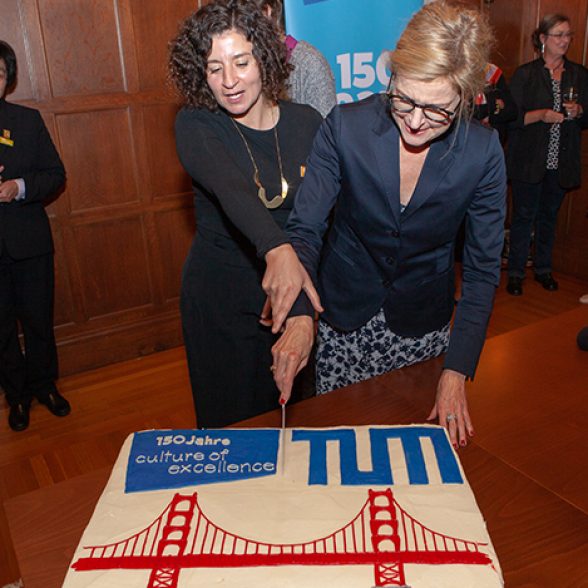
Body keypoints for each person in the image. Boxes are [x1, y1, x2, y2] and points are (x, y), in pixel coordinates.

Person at [262, 1, 506, 448]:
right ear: (392, 74)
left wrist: (457, 368)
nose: (415, 122)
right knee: (339, 452)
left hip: (422, 326)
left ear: (466, 98)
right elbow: (305, 231)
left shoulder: (483, 153)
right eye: (405, 100)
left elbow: (483, 268)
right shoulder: (345, 128)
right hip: (342, 321)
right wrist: (299, 317)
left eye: (437, 112)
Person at [169, 0, 323, 428]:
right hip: (221, 303)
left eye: (241, 62)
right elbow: (235, 193)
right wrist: (276, 248)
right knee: (232, 434)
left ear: (266, 58)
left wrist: (301, 314)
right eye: (214, 67)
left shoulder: (307, 123)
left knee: (293, 425)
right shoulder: (195, 124)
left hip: (290, 295)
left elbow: (317, 223)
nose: (229, 81)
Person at [0, 40, 69, 432]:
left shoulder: (27, 121)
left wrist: (20, 186)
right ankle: (17, 396)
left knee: (40, 321)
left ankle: (45, 386)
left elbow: (56, 175)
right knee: (2, 328)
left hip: (29, 243)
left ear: (8, 79)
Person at [505, 14, 588, 296]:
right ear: (543, 39)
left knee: (548, 218)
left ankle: (543, 269)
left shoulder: (579, 74)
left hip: (561, 162)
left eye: (568, 35)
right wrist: (540, 115)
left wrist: (580, 112)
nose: (565, 41)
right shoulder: (525, 74)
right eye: (559, 35)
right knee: (523, 217)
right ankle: (515, 273)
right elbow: (510, 119)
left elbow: (586, 119)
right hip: (529, 161)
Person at [254, 0, 337, 117]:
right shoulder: (231, 67)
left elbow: (328, 131)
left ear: (266, 11)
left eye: (241, 15)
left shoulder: (308, 64)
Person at [473, 63, 517, 143]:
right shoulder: (455, 71)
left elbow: (511, 110)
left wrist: (486, 106)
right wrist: (494, 103)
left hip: (491, 142)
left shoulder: (492, 71)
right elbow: (472, 113)